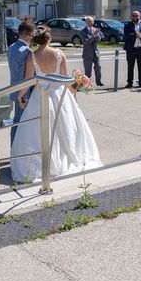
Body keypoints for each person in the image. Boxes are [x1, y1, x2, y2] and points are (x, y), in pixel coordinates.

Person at [10, 26, 102, 183]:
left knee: (38, 131)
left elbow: (27, 81)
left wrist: (20, 97)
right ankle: (67, 159)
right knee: (66, 129)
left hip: (40, 96)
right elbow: (66, 80)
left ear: (36, 40)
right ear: (49, 38)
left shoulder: (31, 56)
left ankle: (41, 165)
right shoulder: (59, 54)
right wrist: (75, 91)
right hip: (60, 96)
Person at [7, 22, 33, 144]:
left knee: (16, 121)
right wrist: (24, 96)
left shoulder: (12, 47)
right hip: (24, 93)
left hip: (14, 89)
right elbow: (26, 76)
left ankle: (14, 148)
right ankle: (16, 150)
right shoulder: (26, 51)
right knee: (21, 123)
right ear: (29, 35)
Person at [123, 11, 141, 88]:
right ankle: (129, 83)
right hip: (131, 49)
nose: (135, 17)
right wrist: (135, 35)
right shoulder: (127, 25)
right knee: (130, 67)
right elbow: (126, 36)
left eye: (136, 16)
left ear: (139, 16)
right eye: (133, 16)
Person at [80, 16, 103, 87]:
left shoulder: (95, 29)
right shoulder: (82, 31)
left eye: (91, 21)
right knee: (88, 70)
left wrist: (97, 35)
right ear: (86, 22)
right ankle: (88, 84)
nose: (90, 23)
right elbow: (85, 42)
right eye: (89, 21)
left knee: (98, 67)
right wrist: (94, 36)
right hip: (87, 53)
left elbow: (99, 40)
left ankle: (98, 81)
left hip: (96, 52)